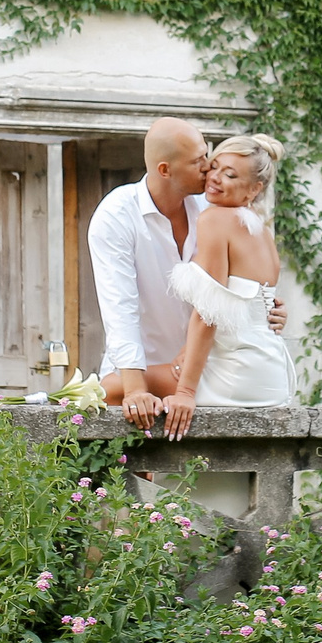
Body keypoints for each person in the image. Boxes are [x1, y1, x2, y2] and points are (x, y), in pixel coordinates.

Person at [89, 118, 286, 433]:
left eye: (209, 156)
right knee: (133, 461)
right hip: (145, 369)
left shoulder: (213, 207)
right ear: (165, 170)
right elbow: (119, 309)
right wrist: (135, 387)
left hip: (204, 371)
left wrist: (267, 310)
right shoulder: (116, 216)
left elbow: (218, 304)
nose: (209, 169)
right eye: (200, 161)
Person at [152, 134, 296, 435]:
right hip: (270, 373)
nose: (214, 178)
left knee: (114, 387)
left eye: (229, 174)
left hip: (237, 371)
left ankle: (117, 482)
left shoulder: (216, 219)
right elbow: (258, 305)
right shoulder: (259, 229)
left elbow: (209, 312)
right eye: (214, 167)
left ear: (255, 189)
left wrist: (186, 392)